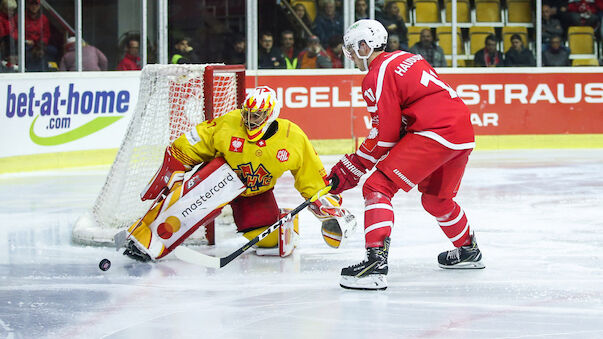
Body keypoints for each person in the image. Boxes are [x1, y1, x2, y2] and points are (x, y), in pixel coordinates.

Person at [329, 19, 484, 290]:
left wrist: (353, 165)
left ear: (365, 46)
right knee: (437, 199)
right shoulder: (407, 58)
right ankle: (468, 250)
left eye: (352, 49)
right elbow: (405, 118)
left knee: (377, 186)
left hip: (434, 131)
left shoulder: (375, 76)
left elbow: (385, 135)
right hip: (461, 132)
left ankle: (375, 264)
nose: (351, 56)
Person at [121, 86, 354, 262]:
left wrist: (327, 209)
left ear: (270, 115)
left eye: (257, 116)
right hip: (217, 180)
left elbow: (311, 176)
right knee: (180, 210)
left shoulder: (293, 138)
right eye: (247, 114)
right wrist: (176, 164)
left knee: (270, 245)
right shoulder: (230, 122)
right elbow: (198, 139)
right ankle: (143, 241)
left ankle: (284, 222)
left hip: (254, 194)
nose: (249, 121)